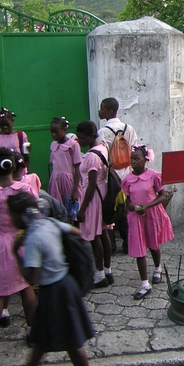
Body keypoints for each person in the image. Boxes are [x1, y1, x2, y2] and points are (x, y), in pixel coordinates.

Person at [7, 192, 96, 366]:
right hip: (65, 285)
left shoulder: (32, 239)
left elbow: (31, 278)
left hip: (56, 291)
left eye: (11, 214)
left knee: (71, 341)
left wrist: (16, 253)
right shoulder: (50, 223)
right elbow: (76, 232)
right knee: (41, 337)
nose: (9, 218)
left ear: (22, 216)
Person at [0, 148, 37, 366]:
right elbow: (35, 215)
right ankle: (31, 331)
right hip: (21, 241)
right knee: (25, 286)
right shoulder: (24, 189)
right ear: (15, 167)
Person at [122, 145, 174, 300]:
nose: (133, 162)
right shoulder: (128, 179)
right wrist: (130, 205)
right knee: (139, 249)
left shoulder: (153, 176)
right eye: (131, 159)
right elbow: (127, 198)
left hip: (151, 214)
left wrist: (147, 206)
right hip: (135, 217)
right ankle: (144, 284)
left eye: (136, 159)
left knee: (153, 245)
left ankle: (157, 268)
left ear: (145, 160)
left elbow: (162, 196)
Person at [97, 97, 138, 255]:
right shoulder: (129, 128)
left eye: (102, 108)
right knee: (125, 210)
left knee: (110, 209)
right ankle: (128, 244)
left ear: (109, 111)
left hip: (111, 176)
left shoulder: (103, 132)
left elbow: (102, 156)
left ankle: (111, 245)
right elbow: (134, 150)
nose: (99, 111)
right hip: (127, 174)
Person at [76, 121, 113, 288]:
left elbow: (91, 184)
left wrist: (82, 208)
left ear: (91, 136)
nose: (79, 140)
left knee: (94, 236)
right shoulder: (103, 147)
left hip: (93, 196)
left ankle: (99, 275)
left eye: (82, 138)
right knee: (104, 232)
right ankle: (107, 270)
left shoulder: (91, 155)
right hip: (102, 191)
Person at [48, 117, 82, 216]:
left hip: (69, 182)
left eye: (56, 132)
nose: (53, 135)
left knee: (73, 211)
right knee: (58, 210)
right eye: (51, 132)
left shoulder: (73, 145)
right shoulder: (54, 145)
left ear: (64, 130)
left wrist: (75, 190)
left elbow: (77, 167)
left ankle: (76, 230)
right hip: (56, 181)